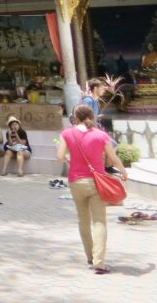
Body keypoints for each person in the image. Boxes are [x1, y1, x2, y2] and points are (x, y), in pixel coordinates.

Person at [56, 104, 129, 274]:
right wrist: (123, 172)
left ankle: (89, 256)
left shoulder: (67, 134)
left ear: (76, 117)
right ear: (91, 116)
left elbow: (60, 156)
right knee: (99, 222)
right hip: (97, 182)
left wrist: (70, 160)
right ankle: (99, 262)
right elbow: (113, 157)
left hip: (76, 181)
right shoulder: (100, 135)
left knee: (83, 220)